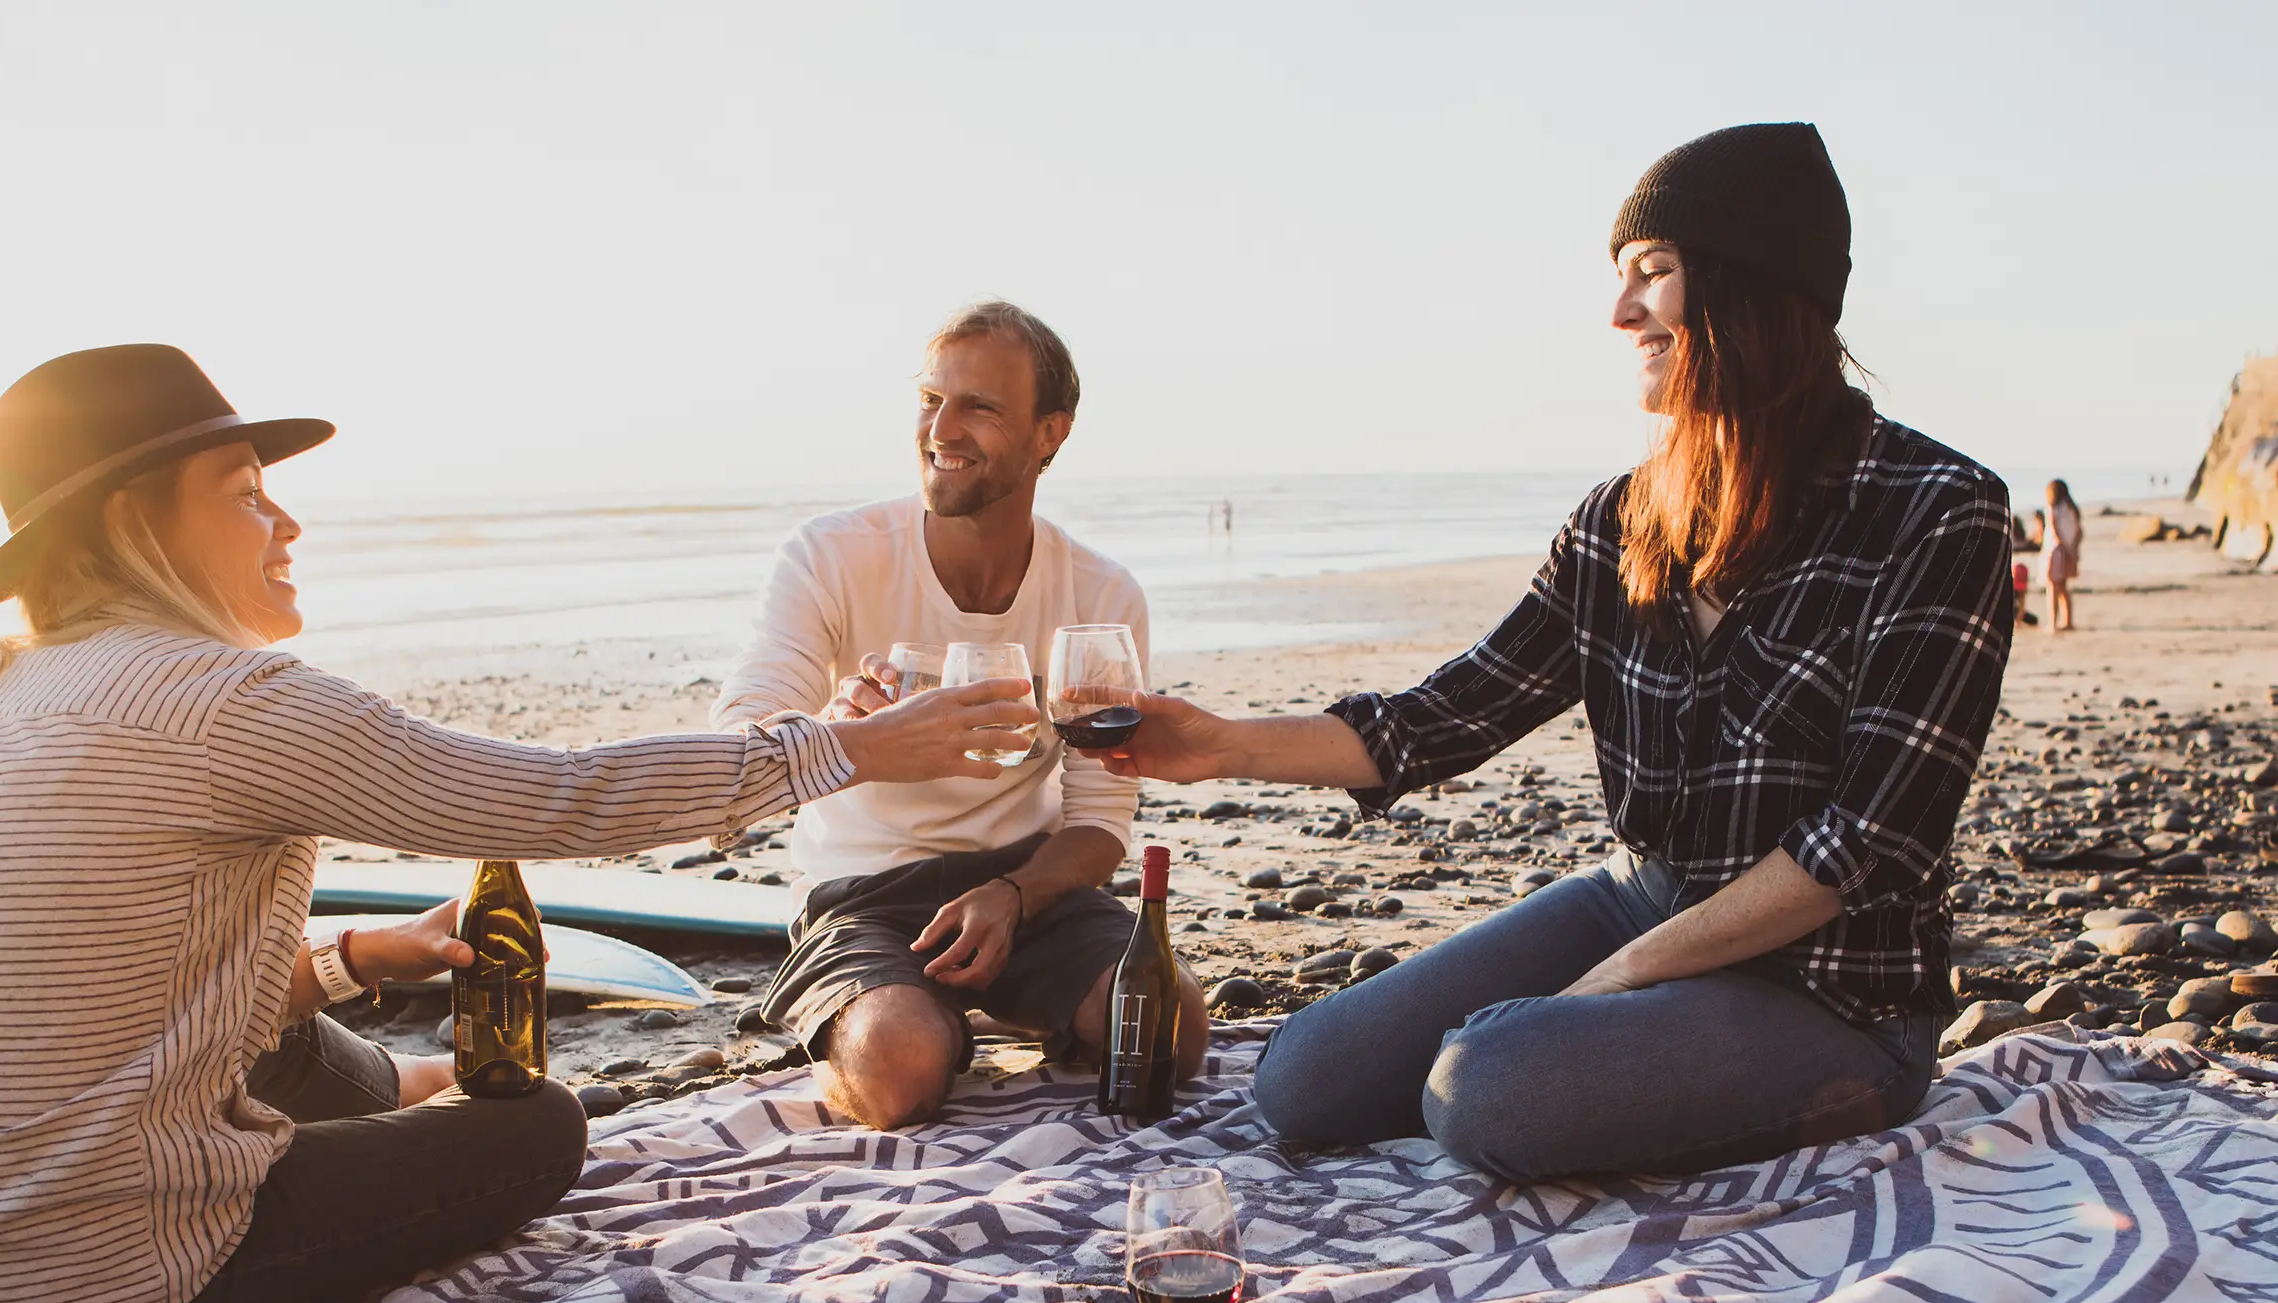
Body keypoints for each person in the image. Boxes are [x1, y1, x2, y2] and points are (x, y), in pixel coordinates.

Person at [0, 344, 1037, 1303]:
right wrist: (846, 748)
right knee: (539, 1130)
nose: (285, 522)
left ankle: (395, 1087)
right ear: (137, 520)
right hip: (74, 1296)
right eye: (243, 492)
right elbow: (562, 798)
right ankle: (401, 1120)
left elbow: (88, 992)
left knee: (295, 1046)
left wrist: (358, 959)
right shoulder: (218, 700)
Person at [1085, 124, 2013, 1183]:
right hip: (1647, 891)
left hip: (1833, 990)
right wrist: (1216, 746)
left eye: (1650, 276)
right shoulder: (1620, 520)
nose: (1619, 315)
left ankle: (1754, 1073)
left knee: (1487, 1091)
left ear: (1748, 285)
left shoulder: (1938, 512)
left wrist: (1611, 983)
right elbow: (1443, 718)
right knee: (1301, 1079)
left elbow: (1859, 846)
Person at [713, 301, 1208, 1130]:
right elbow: (741, 733)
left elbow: (1100, 819)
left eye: (979, 406)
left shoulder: (1100, 595)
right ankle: (914, 1020)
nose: (942, 427)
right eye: (931, 399)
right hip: (861, 892)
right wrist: (841, 735)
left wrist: (1015, 895)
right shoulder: (831, 555)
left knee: (1173, 1031)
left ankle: (1010, 1001)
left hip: (1029, 885)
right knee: (902, 1069)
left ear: (1051, 434)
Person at [2042, 478, 2082, 631]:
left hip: (2055, 549)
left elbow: (2054, 530)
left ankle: (2052, 623)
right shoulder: (2072, 509)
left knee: (2052, 587)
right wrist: (2073, 549)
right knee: (2063, 587)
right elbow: (2079, 532)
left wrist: (2064, 547)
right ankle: (2068, 621)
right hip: (2069, 548)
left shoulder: (2053, 508)